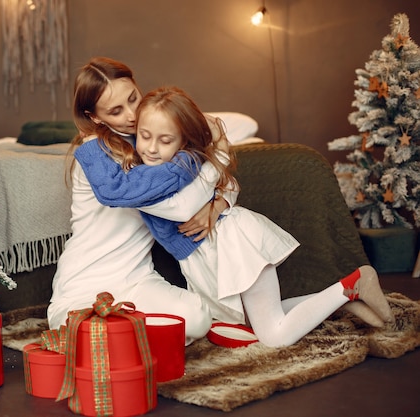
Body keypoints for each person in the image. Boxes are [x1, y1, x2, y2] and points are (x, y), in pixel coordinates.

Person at [74, 85, 394, 347]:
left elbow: (190, 202)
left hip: (233, 241)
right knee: (251, 321)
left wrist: (218, 189)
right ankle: (340, 300)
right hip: (203, 253)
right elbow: (141, 191)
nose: (152, 148)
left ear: (183, 142)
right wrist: (218, 160)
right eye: (145, 136)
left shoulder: (181, 167)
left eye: (166, 139)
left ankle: (352, 284)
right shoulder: (147, 171)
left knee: (273, 336)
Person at [47, 57, 227, 344]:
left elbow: (217, 154)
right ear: (94, 116)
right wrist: (197, 156)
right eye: (116, 111)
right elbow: (119, 191)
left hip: (137, 280)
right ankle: (126, 340)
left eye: (133, 98)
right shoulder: (93, 151)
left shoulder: (151, 138)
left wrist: (219, 203)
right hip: (84, 282)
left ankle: (127, 339)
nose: (132, 114)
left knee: (198, 317)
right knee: (85, 335)